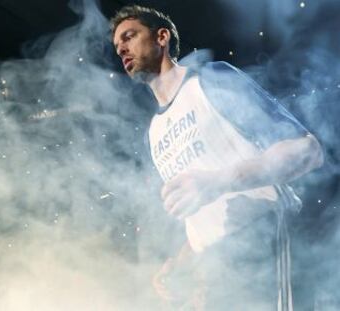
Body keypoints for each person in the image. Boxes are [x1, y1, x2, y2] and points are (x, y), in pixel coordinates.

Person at [110, 5, 323, 311]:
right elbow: (203, 215)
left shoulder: (210, 79)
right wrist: (182, 260)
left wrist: (218, 181)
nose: (123, 49)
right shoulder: (155, 132)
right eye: (118, 47)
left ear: (162, 37)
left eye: (129, 37)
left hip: (264, 240)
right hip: (216, 269)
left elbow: (307, 151)